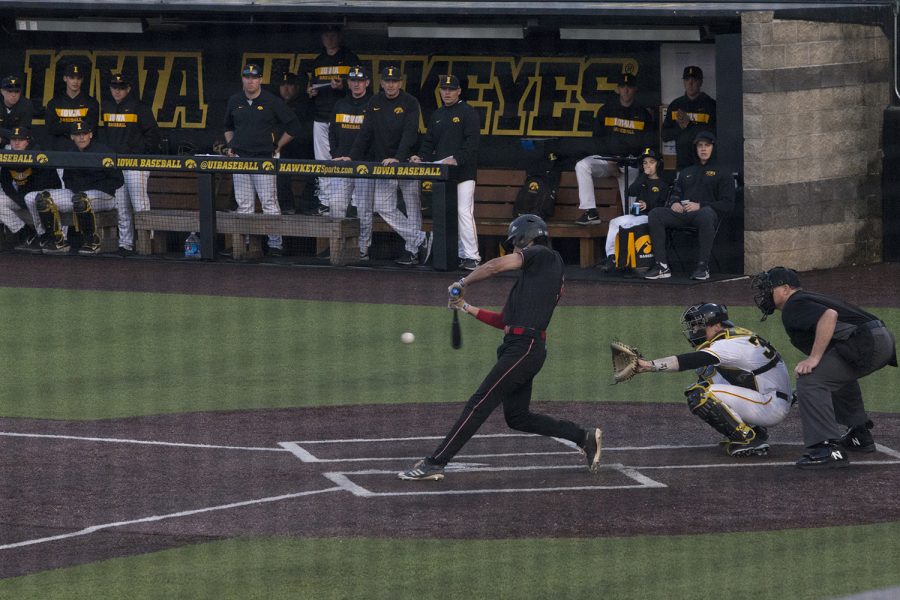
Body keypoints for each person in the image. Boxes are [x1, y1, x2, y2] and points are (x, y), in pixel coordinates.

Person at [398, 214, 602, 481]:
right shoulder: (533, 279)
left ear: (525, 239)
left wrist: (463, 282)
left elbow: (494, 266)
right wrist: (465, 308)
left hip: (525, 348)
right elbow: (505, 321)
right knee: (517, 417)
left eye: (515, 244)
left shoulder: (545, 256)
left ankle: (436, 462)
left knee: (479, 403)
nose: (514, 250)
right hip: (518, 347)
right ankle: (583, 436)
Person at [751, 267, 898, 469]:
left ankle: (827, 448)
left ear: (785, 289)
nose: (765, 294)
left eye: (769, 288)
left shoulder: (794, 303)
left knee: (811, 380)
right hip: (879, 340)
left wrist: (814, 358)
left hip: (866, 342)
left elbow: (829, 316)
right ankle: (859, 434)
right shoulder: (806, 299)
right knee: (831, 376)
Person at [632, 302, 792, 457]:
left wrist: (648, 365)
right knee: (706, 371)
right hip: (771, 396)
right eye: (693, 326)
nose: (694, 331)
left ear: (716, 325)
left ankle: (747, 438)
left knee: (700, 394)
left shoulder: (728, 345)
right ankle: (756, 430)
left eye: (699, 325)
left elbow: (688, 361)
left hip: (771, 405)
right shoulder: (734, 336)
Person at [338, 66, 431, 266]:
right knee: (382, 205)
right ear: (381, 83)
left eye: (394, 81)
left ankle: (412, 251)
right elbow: (366, 132)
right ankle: (420, 238)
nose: (391, 85)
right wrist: (351, 157)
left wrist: (399, 157)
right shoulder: (375, 101)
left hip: (406, 163)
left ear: (400, 82)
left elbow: (410, 132)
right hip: (384, 164)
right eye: (387, 81)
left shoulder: (410, 102)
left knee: (412, 206)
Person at [224, 63, 302, 257]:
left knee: (269, 202)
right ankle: (246, 243)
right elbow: (227, 126)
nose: (250, 81)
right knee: (244, 204)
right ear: (243, 79)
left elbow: (294, 126)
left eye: (254, 77)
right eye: (247, 77)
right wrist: (231, 146)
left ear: (260, 80)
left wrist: (278, 146)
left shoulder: (271, 100)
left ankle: (275, 244)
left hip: (264, 158)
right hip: (241, 158)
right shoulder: (235, 100)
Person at [411, 74, 482, 271]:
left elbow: (472, 143)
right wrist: (421, 157)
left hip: (463, 173)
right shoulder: (438, 114)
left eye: (451, 89)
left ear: (459, 91)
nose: (447, 92)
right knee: (445, 214)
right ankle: (454, 254)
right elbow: (429, 142)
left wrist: (457, 159)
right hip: (442, 174)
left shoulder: (468, 112)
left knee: (463, 212)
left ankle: (472, 256)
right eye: (444, 89)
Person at [644, 130, 733, 281]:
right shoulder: (686, 172)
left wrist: (701, 205)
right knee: (656, 214)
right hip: (682, 213)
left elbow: (728, 204)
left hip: (705, 215)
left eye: (707, 145)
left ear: (713, 147)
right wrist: (674, 203)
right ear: (696, 148)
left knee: (706, 214)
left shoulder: (723, 172)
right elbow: (675, 193)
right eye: (700, 146)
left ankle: (703, 267)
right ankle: (662, 266)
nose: (703, 149)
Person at [24, 120, 123, 255]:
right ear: (72, 137)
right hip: (76, 194)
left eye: (84, 133)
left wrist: (89, 188)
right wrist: (79, 189)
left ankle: (91, 240)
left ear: (91, 135)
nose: (81, 137)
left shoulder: (103, 151)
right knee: (40, 198)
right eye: (77, 134)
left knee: (81, 200)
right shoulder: (71, 152)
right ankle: (55, 239)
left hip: (104, 196)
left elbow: (118, 180)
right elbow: (67, 179)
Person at [574, 73, 655, 225]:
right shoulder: (606, 110)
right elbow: (597, 139)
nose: (626, 90)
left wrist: (628, 161)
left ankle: (630, 240)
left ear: (635, 89)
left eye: (629, 87)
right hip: (607, 161)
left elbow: (647, 144)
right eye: (623, 87)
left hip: (629, 164)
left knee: (632, 214)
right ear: (618, 89)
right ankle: (591, 212)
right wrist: (611, 160)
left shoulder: (642, 113)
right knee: (582, 165)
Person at [100, 73, 161, 257]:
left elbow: (153, 134)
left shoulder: (139, 107)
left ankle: (146, 243)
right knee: (122, 205)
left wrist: (140, 153)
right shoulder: (107, 106)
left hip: (136, 163)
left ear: (128, 89)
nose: (117, 91)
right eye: (114, 87)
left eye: (121, 87)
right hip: (116, 165)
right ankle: (125, 244)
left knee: (139, 203)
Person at [307, 25, 360, 213]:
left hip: (343, 116)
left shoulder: (350, 58)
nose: (329, 39)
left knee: (345, 156)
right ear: (321, 38)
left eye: (333, 35)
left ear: (339, 37)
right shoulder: (318, 61)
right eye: (326, 35)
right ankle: (326, 201)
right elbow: (311, 85)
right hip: (321, 116)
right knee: (323, 161)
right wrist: (311, 91)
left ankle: (353, 202)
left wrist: (342, 87)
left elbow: (359, 86)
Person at [597, 146, 671, 272]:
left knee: (627, 224)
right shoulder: (642, 180)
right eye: (645, 163)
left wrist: (648, 205)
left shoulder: (663, 184)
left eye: (652, 162)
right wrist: (643, 176)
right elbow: (630, 192)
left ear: (658, 164)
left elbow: (663, 207)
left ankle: (624, 259)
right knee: (614, 222)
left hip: (651, 218)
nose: (648, 165)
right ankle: (612, 256)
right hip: (637, 215)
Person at [328, 65, 374, 259]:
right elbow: (332, 133)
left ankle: (362, 248)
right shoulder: (340, 104)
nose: (356, 84)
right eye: (353, 80)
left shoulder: (373, 104)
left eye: (360, 80)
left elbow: (373, 135)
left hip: (364, 165)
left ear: (367, 83)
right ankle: (338, 245)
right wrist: (336, 153)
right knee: (336, 205)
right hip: (342, 164)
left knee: (364, 209)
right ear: (348, 83)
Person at [0, 127, 58, 249]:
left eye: (20, 140)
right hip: (23, 197)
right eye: (14, 139)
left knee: (31, 198)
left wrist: (24, 198)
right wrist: (18, 198)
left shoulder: (38, 154)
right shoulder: (9, 156)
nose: (16, 143)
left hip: (46, 196)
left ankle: (43, 234)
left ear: (27, 141)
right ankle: (25, 233)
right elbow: (5, 183)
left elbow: (44, 182)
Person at [275, 71, 315, 215]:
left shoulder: (306, 103)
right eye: (283, 85)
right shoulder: (275, 103)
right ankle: (287, 207)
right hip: (283, 150)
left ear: (297, 87)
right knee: (277, 168)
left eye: (290, 85)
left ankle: (308, 206)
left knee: (317, 171)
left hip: (305, 149)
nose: (286, 88)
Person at [662, 66, 717, 171]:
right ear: (683, 82)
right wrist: (680, 128)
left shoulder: (711, 105)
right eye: (687, 80)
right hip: (683, 164)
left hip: (705, 164)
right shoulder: (676, 105)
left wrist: (689, 125)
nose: (690, 83)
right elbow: (664, 135)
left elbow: (716, 134)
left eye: (694, 80)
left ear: (700, 82)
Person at [44, 63, 99, 151]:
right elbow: (51, 129)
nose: (75, 82)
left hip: (84, 150)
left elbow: (92, 129)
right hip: (60, 148)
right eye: (72, 78)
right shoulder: (54, 103)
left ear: (82, 80)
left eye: (78, 78)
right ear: (65, 78)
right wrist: (78, 127)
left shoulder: (91, 102)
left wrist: (64, 127)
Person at [0, 75, 34, 147]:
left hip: (18, 142)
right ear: (2, 91)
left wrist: (3, 138)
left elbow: (22, 132)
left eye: (17, 91)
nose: (13, 95)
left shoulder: (26, 105)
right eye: (10, 91)